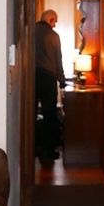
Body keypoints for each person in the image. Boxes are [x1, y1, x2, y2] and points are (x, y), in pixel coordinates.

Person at [35, 9, 66, 162]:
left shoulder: (30, 32)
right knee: (49, 115)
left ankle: (32, 148)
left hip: (31, 78)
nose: (55, 26)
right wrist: (62, 80)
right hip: (48, 78)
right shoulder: (53, 36)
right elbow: (57, 60)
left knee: (30, 114)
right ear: (51, 20)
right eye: (55, 22)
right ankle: (47, 151)